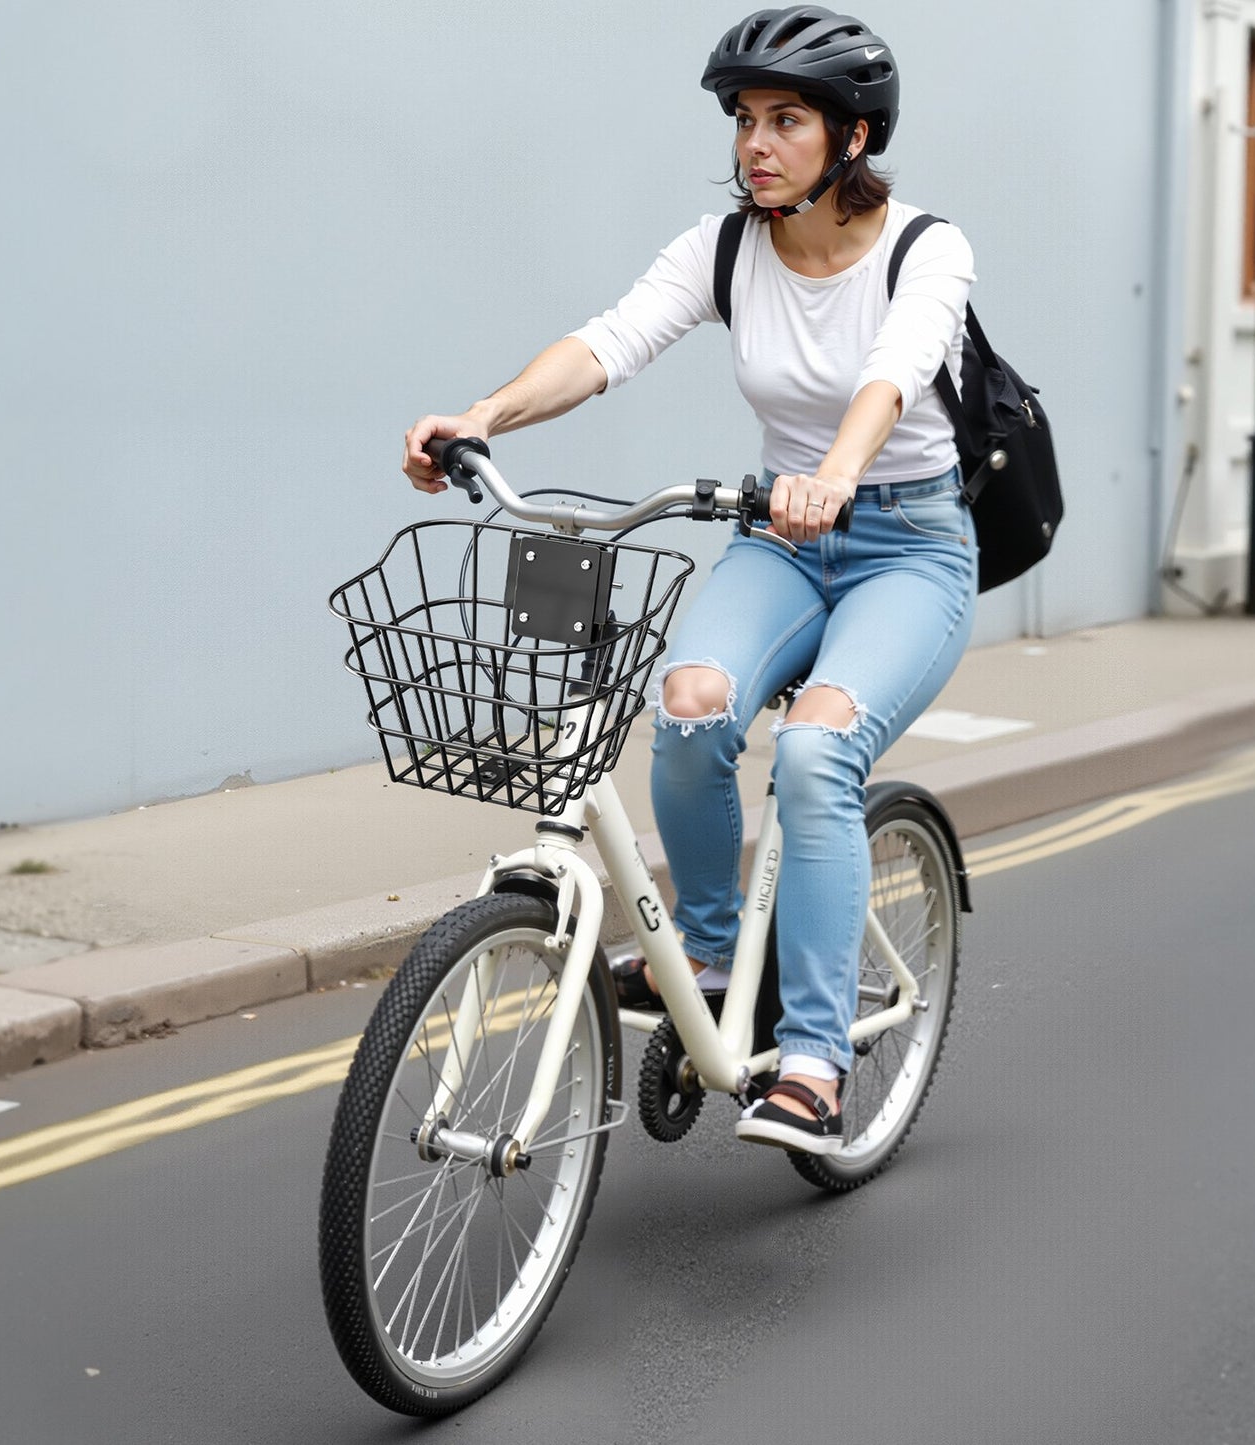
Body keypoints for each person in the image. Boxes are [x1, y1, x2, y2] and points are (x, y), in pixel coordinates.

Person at [402, 6, 976, 1157]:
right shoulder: (725, 250)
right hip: (779, 538)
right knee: (688, 702)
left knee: (814, 751)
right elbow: (606, 343)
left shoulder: (925, 249)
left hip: (908, 545)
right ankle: (709, 957)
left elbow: (892, 371)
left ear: (853, 137)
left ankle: (813, 1056)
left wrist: (836, 474)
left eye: (786, 121)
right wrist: (483, 413)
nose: (754, 144)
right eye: (743, 120)